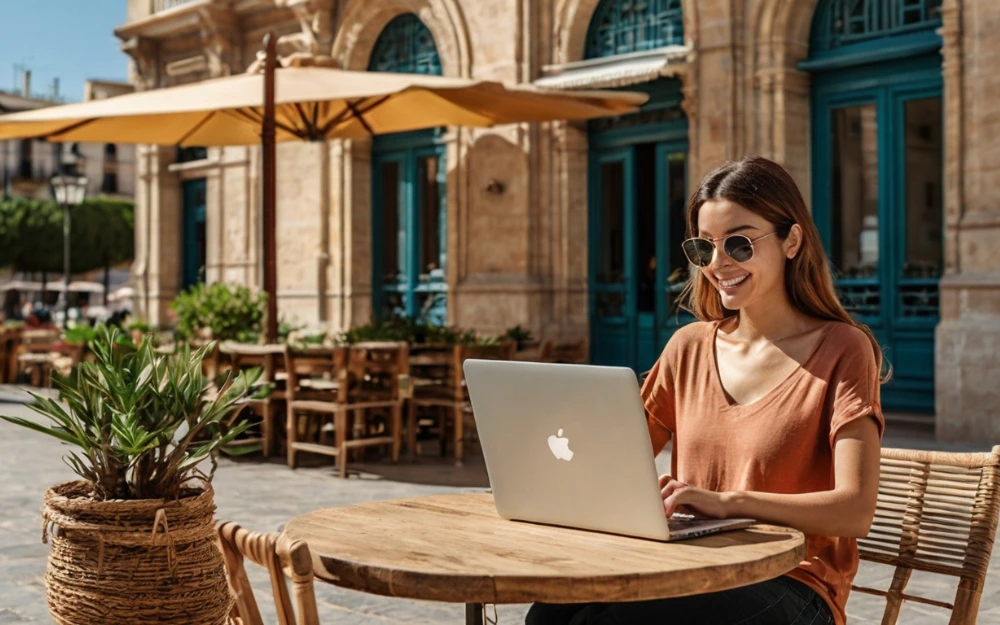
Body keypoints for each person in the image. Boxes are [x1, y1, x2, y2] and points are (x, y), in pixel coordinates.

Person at [526, 156, 885, 625]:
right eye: (704, 248)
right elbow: (616, 462)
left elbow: (854, 511)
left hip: (792, 586)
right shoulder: (688, 347)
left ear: (791, 240)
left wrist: (728, 502)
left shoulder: (843, 348)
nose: (719, 264)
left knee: (614, 621)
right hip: (691, 569)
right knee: (551, 612)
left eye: (739, 243)